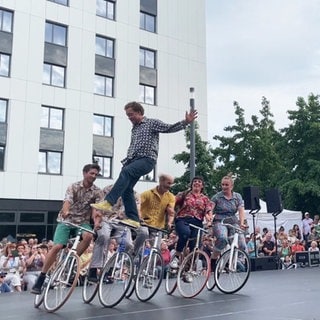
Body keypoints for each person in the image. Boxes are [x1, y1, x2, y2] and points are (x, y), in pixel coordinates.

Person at [91, 101, 198, 227]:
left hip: (147, 160)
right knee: (127, 189)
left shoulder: (151, 123)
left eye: (131, 115)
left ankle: (109, 202)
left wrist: (185, 122)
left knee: (126, 172)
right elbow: (133, 147)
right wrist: (128, 161)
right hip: (133, 160)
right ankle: (134, 219)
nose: (129, 118)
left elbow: (168, 128)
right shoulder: (135, 129)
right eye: (127, 116)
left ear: (139, 112)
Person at [31, 163, 103, 294]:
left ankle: (71, 260)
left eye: (96, 174)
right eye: (91, 173)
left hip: (82, 222)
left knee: (88, 236)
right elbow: (67, 201)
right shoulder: (73, 186)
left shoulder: (97, 191)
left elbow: (96, 210)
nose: (93, 176)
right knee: (58, 246)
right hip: (67, 220)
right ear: (84, 173)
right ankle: (41, 277)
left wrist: (97, 222)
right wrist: (65, 211)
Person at [86, 184, 140, 282]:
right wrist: (96, 222)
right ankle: (93, 268)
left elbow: (137, 211)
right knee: (103, 236)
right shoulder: (108, 189)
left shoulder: (135, 195)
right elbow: (98, 208)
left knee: (128, 244)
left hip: (122, 223)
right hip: (106, 219)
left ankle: (110, 267)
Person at [170, 176, 213, 268]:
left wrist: (209, 218)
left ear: (202, 186)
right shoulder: (185, 194)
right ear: (192, 184)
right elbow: (172, 202)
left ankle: (189, 267)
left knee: (195, 245)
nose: (197, 183)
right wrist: (170, 214)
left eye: (199, 182)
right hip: (183, 219)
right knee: (185, 233)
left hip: (197, 222)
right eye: (195, 181)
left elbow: (208, 209)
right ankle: (176, 257)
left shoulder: (205, 199)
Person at [133, 174, 176, 255]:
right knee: (143, 233)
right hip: (144, 223)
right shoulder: (147, 194)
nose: (169, 186)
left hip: (157, 227)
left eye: (171, 184)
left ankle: (150, 266)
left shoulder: (171, 197)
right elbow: (138, 205)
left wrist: (170, 222)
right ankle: (134, 252)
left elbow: (171, 213)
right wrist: (139, 216)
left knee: (156, 250)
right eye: (168, 183)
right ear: (161, 182)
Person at [210, 174, 247, 266]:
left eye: (226, 185)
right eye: (222, 185)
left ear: (231, 186)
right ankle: (213, 259)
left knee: (242, 245)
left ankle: (229, 260)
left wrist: (242, 223)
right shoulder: (217, 197)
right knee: (222, 238)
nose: (224, 187)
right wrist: (209, 220)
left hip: (233, 221)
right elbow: (210, 209)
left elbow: (241, 211)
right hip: (220, 221)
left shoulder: (237, 196)